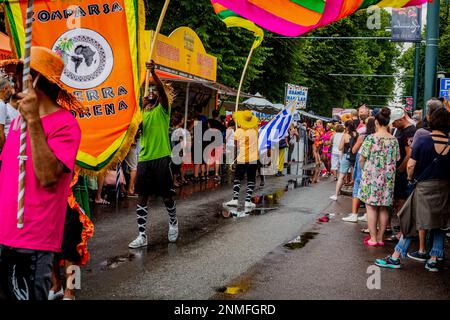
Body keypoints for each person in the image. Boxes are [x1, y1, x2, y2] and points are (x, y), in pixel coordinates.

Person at [0, 47, 83, 300]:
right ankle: (59, 288)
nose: (13, 81)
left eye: (18, 76)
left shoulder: (65, 124)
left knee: (74, 252)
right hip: (6, 235)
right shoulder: (17, 120)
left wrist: (34, 120)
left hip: (35, 238)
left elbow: (47, 176)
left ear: (35, 79)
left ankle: (71, 292)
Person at [375, 107, 450, 271]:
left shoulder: (423, 139)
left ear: (432, 120)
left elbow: (411, 165)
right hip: (444, 187)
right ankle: (434, 259)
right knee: (440, 224)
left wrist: (410, 179)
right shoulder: (449, 142)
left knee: (411, 221)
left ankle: (396, 257)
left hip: (424, 187)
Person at [128, 60, 178, 249]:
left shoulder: (163, 110)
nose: (149, 95)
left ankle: (173, 222)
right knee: (142, 197)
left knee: (167, 196)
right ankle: (142, 235)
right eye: (147, 94)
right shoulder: (142, 114)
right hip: (145, 160)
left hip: (161, 159)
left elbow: (163, 94)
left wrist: (153, 74)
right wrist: (138, 117)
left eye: (153, 93)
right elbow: (138, 132)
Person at [358, 108, 400, 247]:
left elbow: (362, 158)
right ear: (388, 122)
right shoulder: (394, 140)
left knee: (371, 207)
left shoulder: (371, 138)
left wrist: (366, 169)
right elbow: (397, 158)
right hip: (388, 179)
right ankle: (381, 238)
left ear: (376, 122)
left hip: (372, 177)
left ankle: (373, 238)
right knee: (384, 208)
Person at [342, 117, 376, 223]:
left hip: (361, 160)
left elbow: (354, 150)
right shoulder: (377, 137)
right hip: (372, 164)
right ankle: (367, 214)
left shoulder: (363, 136)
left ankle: (354, 214)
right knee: (368, 188)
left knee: (357, 184)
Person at [390, 106, 417, 237]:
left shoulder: (410, 131)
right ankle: (401, 228)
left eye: (394, 122)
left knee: (401, 201)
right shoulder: (401, 130)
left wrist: (400, 170)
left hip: (403, 172)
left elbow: (410, 153)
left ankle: (403, 231)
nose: (393, 124)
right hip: (400, 171)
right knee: (398, 200)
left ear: (401, 119)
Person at [225, 110, 259, 209]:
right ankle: (248, 200)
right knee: (251, 179)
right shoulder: (255, 131)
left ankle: (235, 199)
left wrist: (233, 160)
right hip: (253, 158)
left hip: (242, 158)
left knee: (237, 178)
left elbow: (235, 146)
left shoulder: (238, 132)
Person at [330, 121, 358, 201]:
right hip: (355, 157)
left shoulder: (345, 135)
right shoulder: (358, 134)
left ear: (346, 127)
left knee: (341, 176)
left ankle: (336, 195)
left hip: (347, 156)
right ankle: (356, 195)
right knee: (356, 177)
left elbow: (340, 147)